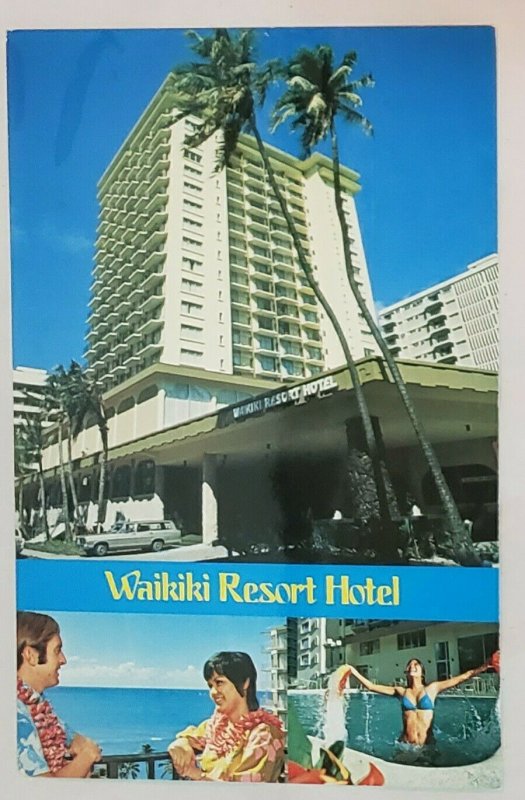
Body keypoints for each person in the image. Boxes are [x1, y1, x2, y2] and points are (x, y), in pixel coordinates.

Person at [168, 651, 284, 782]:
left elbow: (246, 792)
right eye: (210, 685)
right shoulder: (216, 725)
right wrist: (180, 743)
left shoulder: (263, 733)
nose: (213, 692)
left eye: (219, 683)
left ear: (245, 683)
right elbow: (191, 736)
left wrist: (197, 774)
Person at [338, 655, 496, 747]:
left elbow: (464, 676)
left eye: (416, 664)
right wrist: (353, 671)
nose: (412, 666)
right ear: (407, 671)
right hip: (406, 746)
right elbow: (371, 686)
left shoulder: (432, 689)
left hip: (427, 746)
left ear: (422, 672)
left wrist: (485, 666)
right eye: (410, 665)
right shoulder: (401, 691)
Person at [17, 611, 102, 777]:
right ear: (31, 655)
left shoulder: (38, 703)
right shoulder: (14, 713)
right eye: (57, 651)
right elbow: (42, 792)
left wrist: (81, 745)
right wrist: (86, 758)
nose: (63, 660)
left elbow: (73, 738)